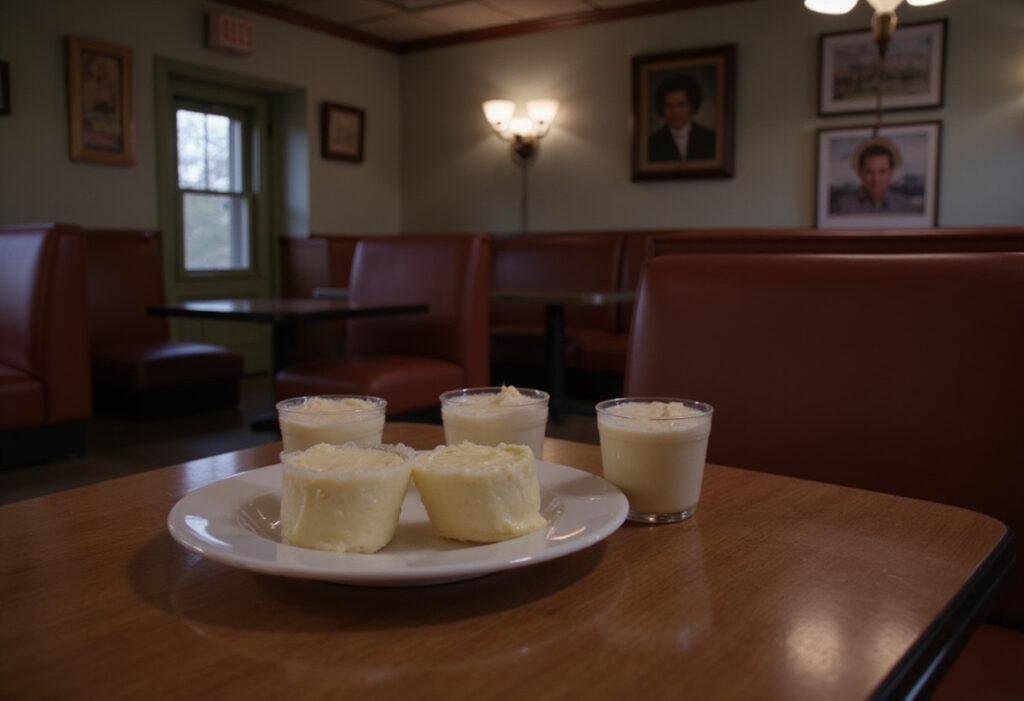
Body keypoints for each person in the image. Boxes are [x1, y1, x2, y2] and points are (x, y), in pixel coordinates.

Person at [833, 138, 916, 214]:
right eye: (869, 172)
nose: (876, 179)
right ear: (860, 173)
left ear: (891, 173)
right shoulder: (844, 206)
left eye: (882, 172)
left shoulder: (904, 206)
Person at [647, 73, 716, 162]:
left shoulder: (710, 139)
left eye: (681, 105)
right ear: (662, 109)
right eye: (669, 106)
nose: (675, 112)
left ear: (692, 106)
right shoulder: (651, 144)